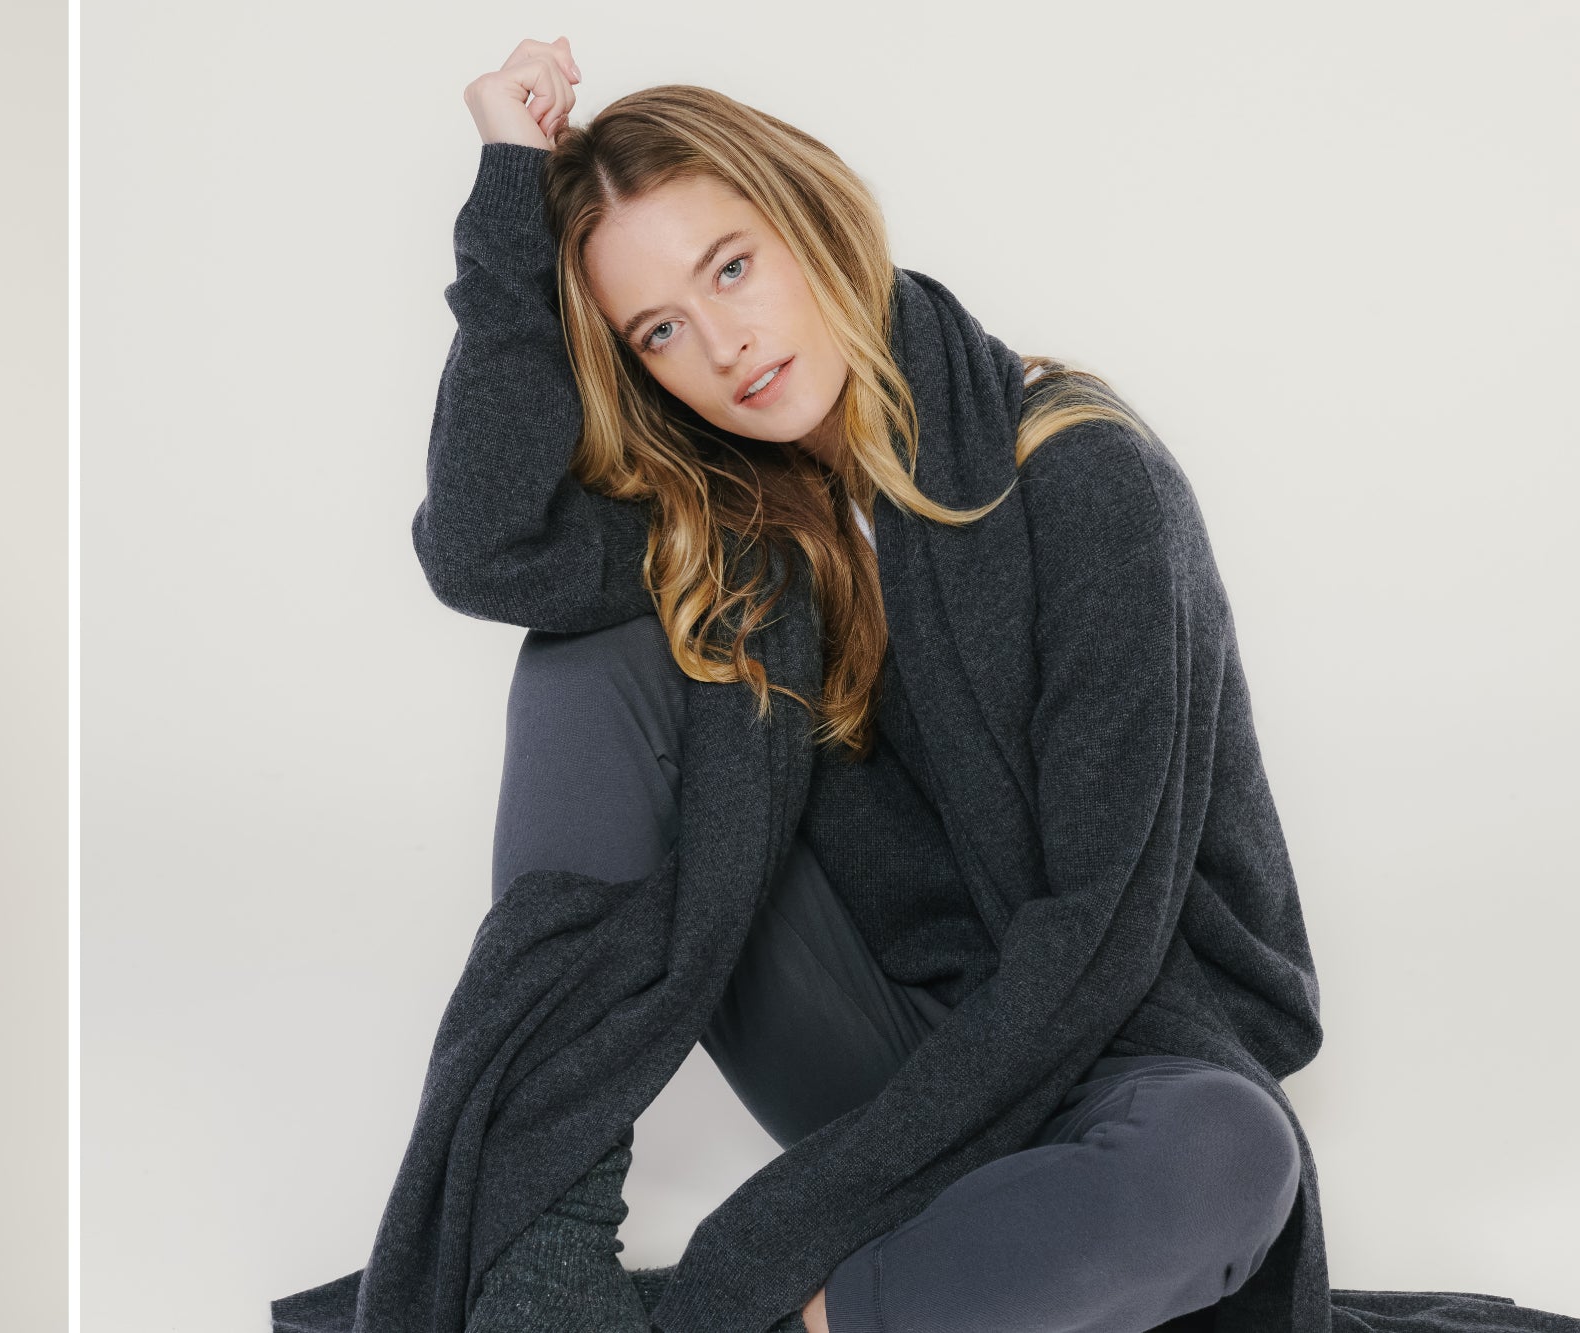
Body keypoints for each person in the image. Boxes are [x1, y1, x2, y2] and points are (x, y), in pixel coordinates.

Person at [279, 38, 1577, 1333]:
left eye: (732, 267)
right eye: (660, 329)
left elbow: (1097, 936)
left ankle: (821, 1317)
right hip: (878, 1037)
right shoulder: (742, 523)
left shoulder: (1085, 479)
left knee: (1229, 1158)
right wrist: (515, 185)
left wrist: (765, 1249)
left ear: (813, 222)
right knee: (607, 633)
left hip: (1108, 1034)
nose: (722, 344)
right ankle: (544, 1243)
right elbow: (487, 548)